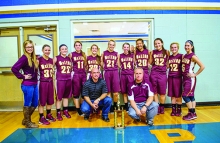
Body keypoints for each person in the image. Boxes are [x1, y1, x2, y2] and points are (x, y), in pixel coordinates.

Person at [11, 40, 39, 128]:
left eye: (31, 47)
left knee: (35, 103)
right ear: (25, 48)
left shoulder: (33, 57)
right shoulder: (23, 58)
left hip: (35, 84)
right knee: (28, 103)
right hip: (27, 85)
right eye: (28, 47)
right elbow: (14, 68)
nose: (30, 49)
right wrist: (23, 76)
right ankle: (28, 122)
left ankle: (25, 119)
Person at [182, 40, 205, 120]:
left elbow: (202, 66)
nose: (186, 47)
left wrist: (195, 74)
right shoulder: (185, 55)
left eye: (188, 45)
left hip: (190, 79)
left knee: (185, 95)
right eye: (185, 45)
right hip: (185, 78)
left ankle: (191, 113)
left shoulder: (193, 56)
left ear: (192, 46)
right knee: (191, 96)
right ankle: (193, 113)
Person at [149, 38, 169, 114]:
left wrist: (164, 68)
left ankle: (162, 107)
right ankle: (156, 107)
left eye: (159, 43)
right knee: (155, 92)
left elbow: (168, 63)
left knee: (162, 92)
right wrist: (150, 55)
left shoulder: (166, 52)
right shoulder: (153, 52)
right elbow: (150, 62)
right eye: (156, 44)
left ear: (162, 43)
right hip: (154, 73)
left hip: (162, 73)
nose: (157, 45)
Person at [38, 44, 56, 125]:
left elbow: (53, 70)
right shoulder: (39, 60)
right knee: (42, 101)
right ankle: (41, 117)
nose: (47, 51)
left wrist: (53, 72)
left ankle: (48, 114)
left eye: (49, 50)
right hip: (42, 82)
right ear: (42, 50)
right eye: (46, 50)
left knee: (50, 100)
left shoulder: (52, 60)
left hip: (50, 81)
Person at [53, 44, 72, 121]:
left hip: (68, 79)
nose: (64, 50)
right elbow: (50, 66)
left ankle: (65, 111)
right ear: (60, 50)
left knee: (66, 97)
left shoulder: (69, 58)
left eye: (65, 49)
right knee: (59, 97)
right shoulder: (56, 58)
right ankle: (58, 112)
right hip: (60, 80)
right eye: (62, 49)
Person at [101, 40, 120, 112]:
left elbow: (118, 65)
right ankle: (110, 106)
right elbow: (102, 63)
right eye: (110, 44)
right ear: (108, 45)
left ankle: (115, 105)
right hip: (107, 72)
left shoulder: (117, 54)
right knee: (108, 92)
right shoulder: (104, 53)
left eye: (113, 45)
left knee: (116, 93)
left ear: (114, 46)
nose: (111, 46)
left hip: (115, 72)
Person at [69, 41, 87, 116]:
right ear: (74, 46)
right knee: (76, 93)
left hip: (83, 74)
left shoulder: (84, 54)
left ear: (81, 46)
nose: (78, 46)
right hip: (76, 75)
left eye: (79, 45)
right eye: (76, 45)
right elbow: (69, 65)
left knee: (83, 93)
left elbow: (86, 65)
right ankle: (78, 109)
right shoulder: (71, 54)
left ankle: (82, 107)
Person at [167, 42, 183, 116]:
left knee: (178, 95)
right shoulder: (169, 57)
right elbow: (167, 66)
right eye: (172, 47)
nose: (173, 49)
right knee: (172, 94)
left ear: (178, 48)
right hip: (170, 77)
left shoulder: (181, 56)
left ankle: (179, 110)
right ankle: (173, 110)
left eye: (175, 47)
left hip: (178, 77)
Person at [119, 43, 134, 111]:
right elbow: (118, 64)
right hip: (123, 75)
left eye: (127, 47)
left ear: (129, 48)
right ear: (122, 48)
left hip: (130, 74)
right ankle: (126, 106)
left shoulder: (132, 55)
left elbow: (135, 63)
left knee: (131, 91)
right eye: (124, 47)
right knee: (124, 91)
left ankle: (132, 105)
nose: (126, 48)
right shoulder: (120, 55)